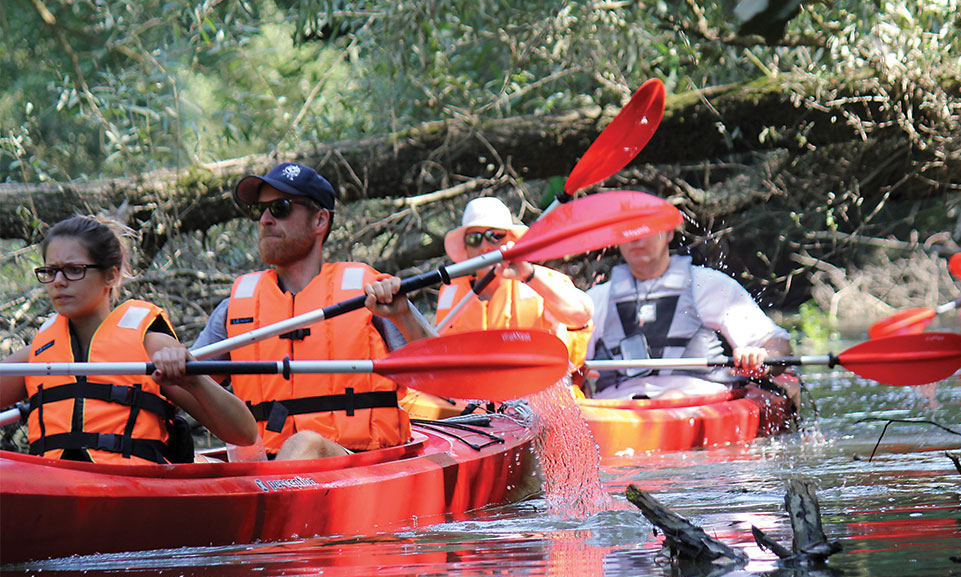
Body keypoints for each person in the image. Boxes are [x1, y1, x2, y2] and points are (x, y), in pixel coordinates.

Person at [193, 162, 429, 460]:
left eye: (280, 208)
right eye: (258, 210)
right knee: (186, 459)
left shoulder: (370, 293)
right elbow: (187, 386)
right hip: (260, 465)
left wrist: (402, 315)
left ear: (319, 220)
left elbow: (441, 373)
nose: (265, 219)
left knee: (305, 443)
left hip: (356, 460)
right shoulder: (236, 307)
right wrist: (175, 365)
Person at [0, 216, 258, 464]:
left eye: (73, 270)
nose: (57, 282)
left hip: (128, 485)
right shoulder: (39, 353)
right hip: (52, 484)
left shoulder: (152, 344)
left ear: (111, 276)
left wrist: (194, 380)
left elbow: (243, 434)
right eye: (50, 271)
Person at [583, 227, 799, 403]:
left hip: (696, 401)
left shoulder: (710, 285)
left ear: (668, 233)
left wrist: (762, 359)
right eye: (627, 231)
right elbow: (567, 366)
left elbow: (777, 343)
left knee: (672, 397)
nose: (635, 238)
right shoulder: (593, 299)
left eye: (646, 229)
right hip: (617, 407)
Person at [434, 196, 594, 367]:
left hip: (540, 387)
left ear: (512, 241)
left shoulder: (540, 279)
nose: (484, 247)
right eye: (474, 239)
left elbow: (582, 314)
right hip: (474, 390)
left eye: (495, 236)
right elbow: (432, 353)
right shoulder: (451, 292)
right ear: (466, 248)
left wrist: (529, 276)